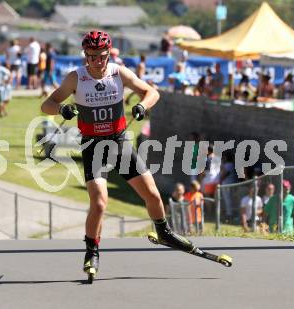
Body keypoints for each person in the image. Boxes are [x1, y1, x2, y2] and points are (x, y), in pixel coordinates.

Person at [41, 30, 197, 276]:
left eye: (102, 56)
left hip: (119, 144)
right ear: (85, 56)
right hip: (93, 146)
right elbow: (46, 105)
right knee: (100, 203)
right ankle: (92, 251)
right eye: (92, 56)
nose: (97, 61)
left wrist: (141, 105)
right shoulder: (76, 78)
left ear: (108, 54)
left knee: (154, 196)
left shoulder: (118, 73)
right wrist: (62, 109)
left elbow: (152, 92)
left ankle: (164, 232)